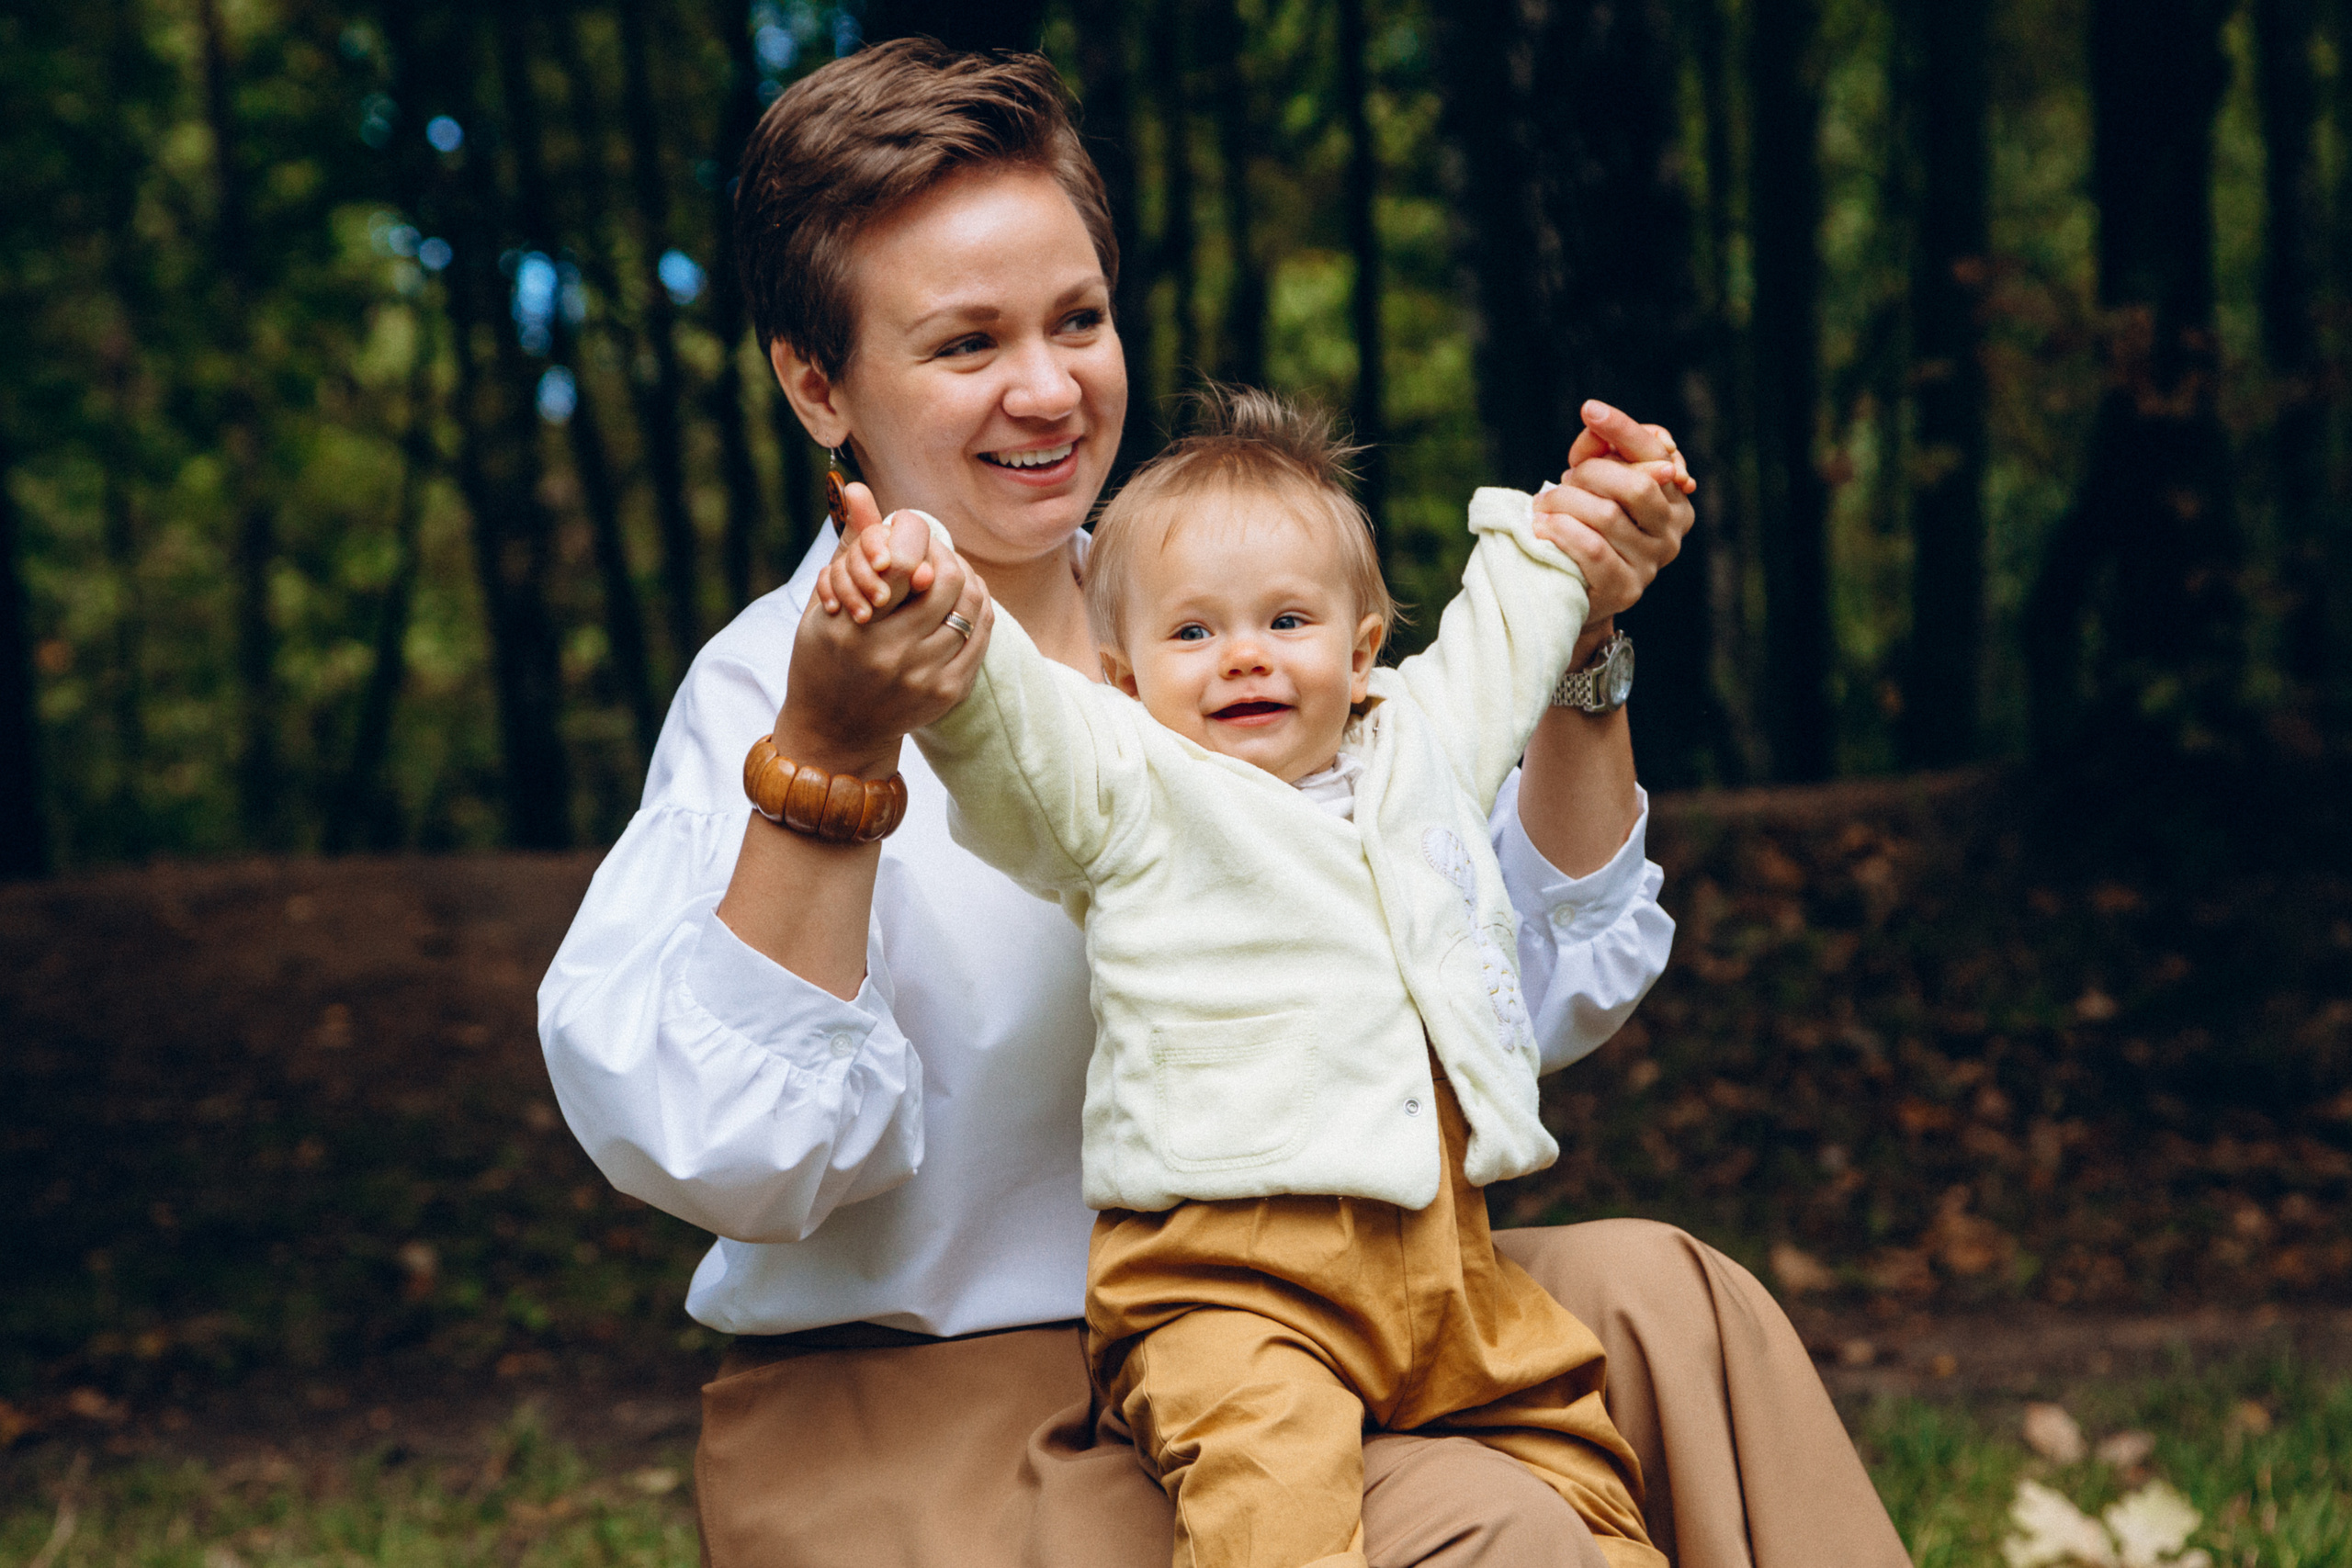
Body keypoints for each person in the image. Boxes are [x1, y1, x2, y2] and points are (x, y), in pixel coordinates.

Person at [537, 37, 1911, 1568]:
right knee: (1496, 1528)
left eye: (1078, 318)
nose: (1047, 386)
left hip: (1328, 1293)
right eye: (967, 343)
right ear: (816, 383)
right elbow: (736, 1152)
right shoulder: (767, 690)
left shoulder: (1224, 636)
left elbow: (1512, 996)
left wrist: (1579, 638)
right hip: (939, 1409)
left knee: (1675, 1301)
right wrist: (837, 751)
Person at [890, 386, 1662, 1568]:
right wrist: (940, 608)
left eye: (1286, 620)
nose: (1243, 654)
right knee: (1271, 1504)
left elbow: (1508, 629)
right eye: (1192, 633)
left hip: (1446, 1268)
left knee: (1579, 1476)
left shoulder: (1419, 746)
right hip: (1225, 1284)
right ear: (1123, 680)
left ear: (1360, 651)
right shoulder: (1129, 789)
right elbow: (1014, 734)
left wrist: (1581, 514)